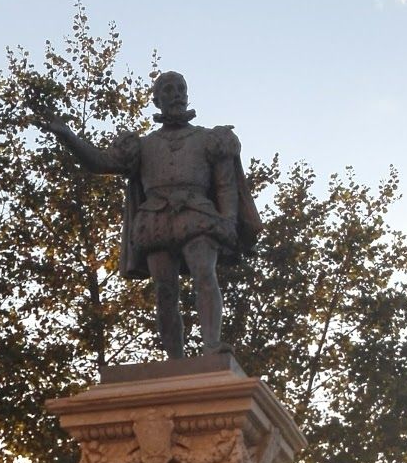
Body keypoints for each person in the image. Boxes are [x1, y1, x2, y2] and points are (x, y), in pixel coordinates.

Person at [31, 71, 262, 359]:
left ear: (187, 94)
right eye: (168, 90)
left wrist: (228, 220)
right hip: (155, 221)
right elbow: (100, 162)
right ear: (156, 100)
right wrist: (67, 136)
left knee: (205, 274)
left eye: (180, 88)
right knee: (165, 291)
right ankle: (174, 360)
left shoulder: (209, 139)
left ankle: (211, 344)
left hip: (197, 214)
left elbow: (225, 185)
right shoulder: (142, 144)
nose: (176, 94)